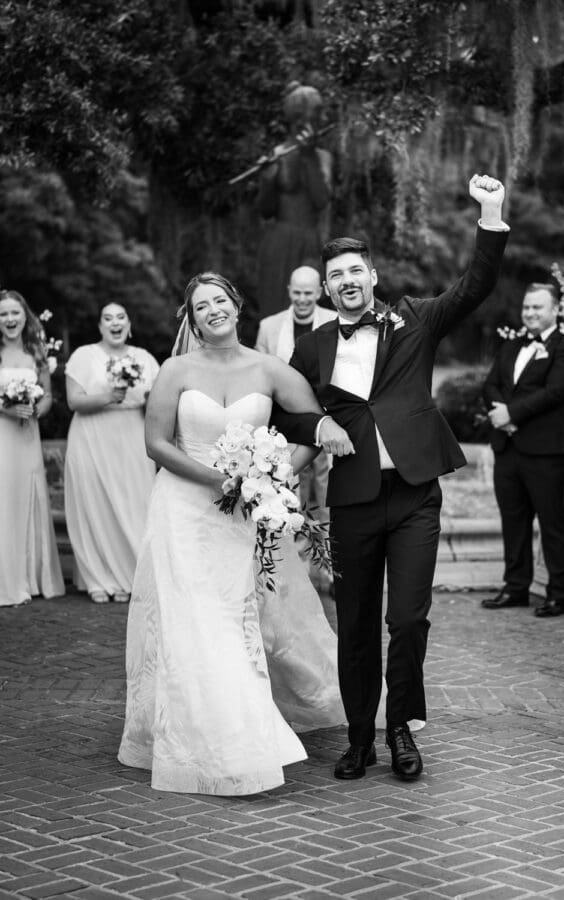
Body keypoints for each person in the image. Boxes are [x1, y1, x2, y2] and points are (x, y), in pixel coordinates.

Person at [272, 174, 510, 782]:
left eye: (355, 271)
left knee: (406, 619)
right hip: (351, 501)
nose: (346, 282)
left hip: (413, 498)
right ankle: (359, 738)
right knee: (353, 623)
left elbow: (475, 285)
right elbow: (287, 413)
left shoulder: (415, 321)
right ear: (326, 289)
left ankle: (401, 727)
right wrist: (318, 423)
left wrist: (490, 214)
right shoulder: (314, 347)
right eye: (335, 276)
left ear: (372, 276)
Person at [118, 272, 351, 795]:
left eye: (220, 300)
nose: (213, 311)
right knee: (194, 619)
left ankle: (244, 717)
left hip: (247, 517)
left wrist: (277, 476)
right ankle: (221, 738)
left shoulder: (269, 368)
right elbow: (156, 443)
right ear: (192, 319)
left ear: (237, 306)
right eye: (202, 306)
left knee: (238, 614)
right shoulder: (176, 370)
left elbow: (314, 424)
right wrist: (223, 482)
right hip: (184, 510)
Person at [481, 283, 564, 618]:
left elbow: (556, 392)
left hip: (548, 451)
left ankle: (559, 593)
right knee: (514, 522)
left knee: (553, 522)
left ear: (555, 309)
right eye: (527, 308)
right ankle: (515, 587)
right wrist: (502, 419)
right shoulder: (512, 345)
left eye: (537, 308)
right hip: (508, 448)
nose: (530, 313)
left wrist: (511, 414)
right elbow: (491, 384)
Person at [64, 303, 159, 604]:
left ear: (129, 324)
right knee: (96, 504)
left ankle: (132, 576)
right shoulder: (83, 356)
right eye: (108, 318)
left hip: (132, 437)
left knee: (135, 502)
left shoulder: (144, 358)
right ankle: (98, 577)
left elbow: (158, 402)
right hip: (91, 437)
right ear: (100, 326)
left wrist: (149, 399)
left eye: (120, 317)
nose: (114, 323)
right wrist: (110, 396)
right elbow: (73, 401)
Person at [255, 265, 337, 544]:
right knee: (289, 488)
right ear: (289, 291)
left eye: (308, 293)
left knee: (326, 491)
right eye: (297, 292)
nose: (302, 299)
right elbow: (260, 376)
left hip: (326, 419)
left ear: (319, 292)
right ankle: (296, 560)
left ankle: (328, 562)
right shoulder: (269, 327)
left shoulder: (334, 321)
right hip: (285, 425)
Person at [0, 289, 64, 607]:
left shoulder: (36, 350)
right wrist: (5, 408)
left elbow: (49, 395)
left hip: (27, 436)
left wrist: (39, 409)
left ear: (25, 317)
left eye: (15, 313)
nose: (10, 319)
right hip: (2, 434)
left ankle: (28, 576)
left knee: (25, 495)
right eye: (3, 314)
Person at [257, 82, 332, 318]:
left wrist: (308, 157)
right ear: (299, 117)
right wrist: (268, 181)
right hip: (279, 242)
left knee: (309, 311)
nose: (323, 117)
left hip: (310, 242)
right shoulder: (276, 155)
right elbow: (265, 210)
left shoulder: (323, 157)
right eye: (317, 112)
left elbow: (321, 200)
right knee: (275, 312)